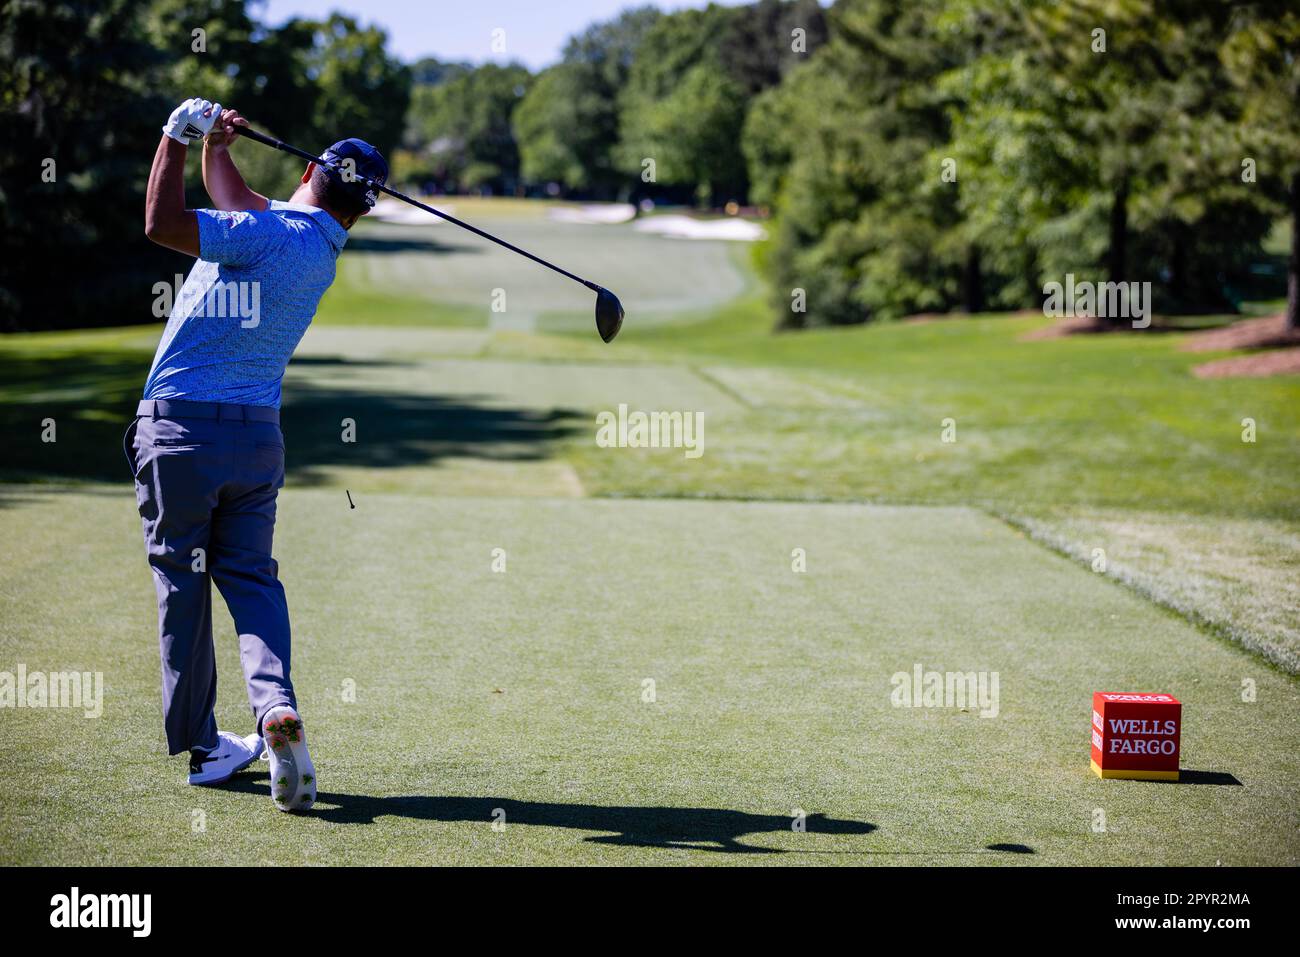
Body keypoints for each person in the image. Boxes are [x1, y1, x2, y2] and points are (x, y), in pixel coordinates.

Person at [126, 96, 387, 811]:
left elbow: (161, 224)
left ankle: (207, 747)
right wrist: (216, 146)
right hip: (256, 440)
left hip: (181, 430)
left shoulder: (265, 235)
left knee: (182, 582)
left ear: (309, 170)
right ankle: (273, 708)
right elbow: (235, 199)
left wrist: (173, 137)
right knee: (251, 578)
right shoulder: (318, 244)